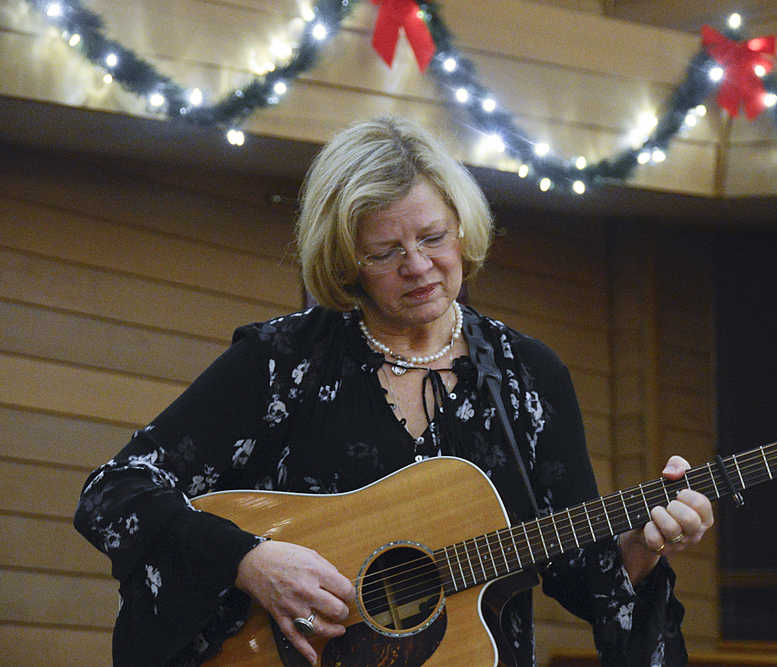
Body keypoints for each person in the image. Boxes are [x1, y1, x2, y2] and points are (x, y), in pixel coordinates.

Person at [74, 115, 714, 666]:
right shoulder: (283, 362)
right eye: (385, 252)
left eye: (434, 238)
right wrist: (249, 561)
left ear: (462, 228)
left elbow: (576, 572)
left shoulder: (529, 377)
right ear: (345, 262)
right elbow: (114, 491)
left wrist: (640, 549)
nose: (418, 266)